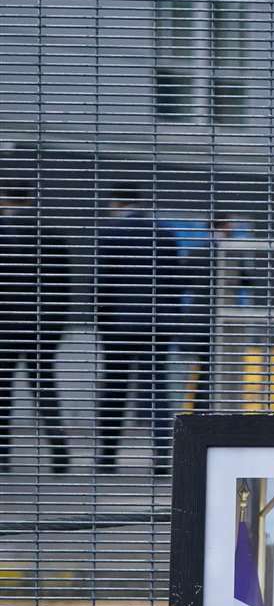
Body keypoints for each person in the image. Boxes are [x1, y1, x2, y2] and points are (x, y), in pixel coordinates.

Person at [94, 183, 183, 471]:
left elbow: (103, 284)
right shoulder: (164, 233)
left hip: (119, 325)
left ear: (116, 202)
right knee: (157, 389)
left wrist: (101, 321)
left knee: (115, 389)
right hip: (158, 324)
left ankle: (107, 455)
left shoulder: (110, 233)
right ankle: (161, 456)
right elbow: (175, 282)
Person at [0, 180, 71, 473]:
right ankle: (59, 452)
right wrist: (56, 325)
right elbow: (63, 287)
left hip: (4, 325)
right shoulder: (50, 235)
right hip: (42, 327)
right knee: (45, 389)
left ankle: (2, 453)